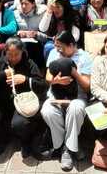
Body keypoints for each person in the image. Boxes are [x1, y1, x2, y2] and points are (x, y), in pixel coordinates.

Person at [0, 37, 48, 158]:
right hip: (1, 103)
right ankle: (2, 139)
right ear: (5, 52)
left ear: (22, 52)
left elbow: (43, 85)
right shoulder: (0, 62)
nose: (13, 58)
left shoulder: (29, 64)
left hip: (22, 104)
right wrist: (2, 74)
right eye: (10, 54)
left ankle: (25, 141)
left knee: (19, 124)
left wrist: (26, 80)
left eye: (17, 54)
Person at [40, 31, 93, 170]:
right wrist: (55, 81)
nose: (58, 50)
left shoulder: (84, 57)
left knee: (75, 109)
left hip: (77, 96)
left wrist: (74, 72)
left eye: (61, 47)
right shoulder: (53, 53)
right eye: (56, 46)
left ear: (71, 45)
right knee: (47, 110)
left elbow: (87, 87)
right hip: (55, 95)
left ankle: (67, 150)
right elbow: (47, 78)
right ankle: (66, 145)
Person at [14, 0, 48, 71]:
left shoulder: (41, 14)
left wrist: (36, 34)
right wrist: (19, 33)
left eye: (26, 4)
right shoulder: (16, 14)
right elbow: (13, 31)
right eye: (22, 4)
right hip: (21, 41)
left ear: (33, 4)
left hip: (37, 42)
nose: (23, 6)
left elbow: (47, 36)